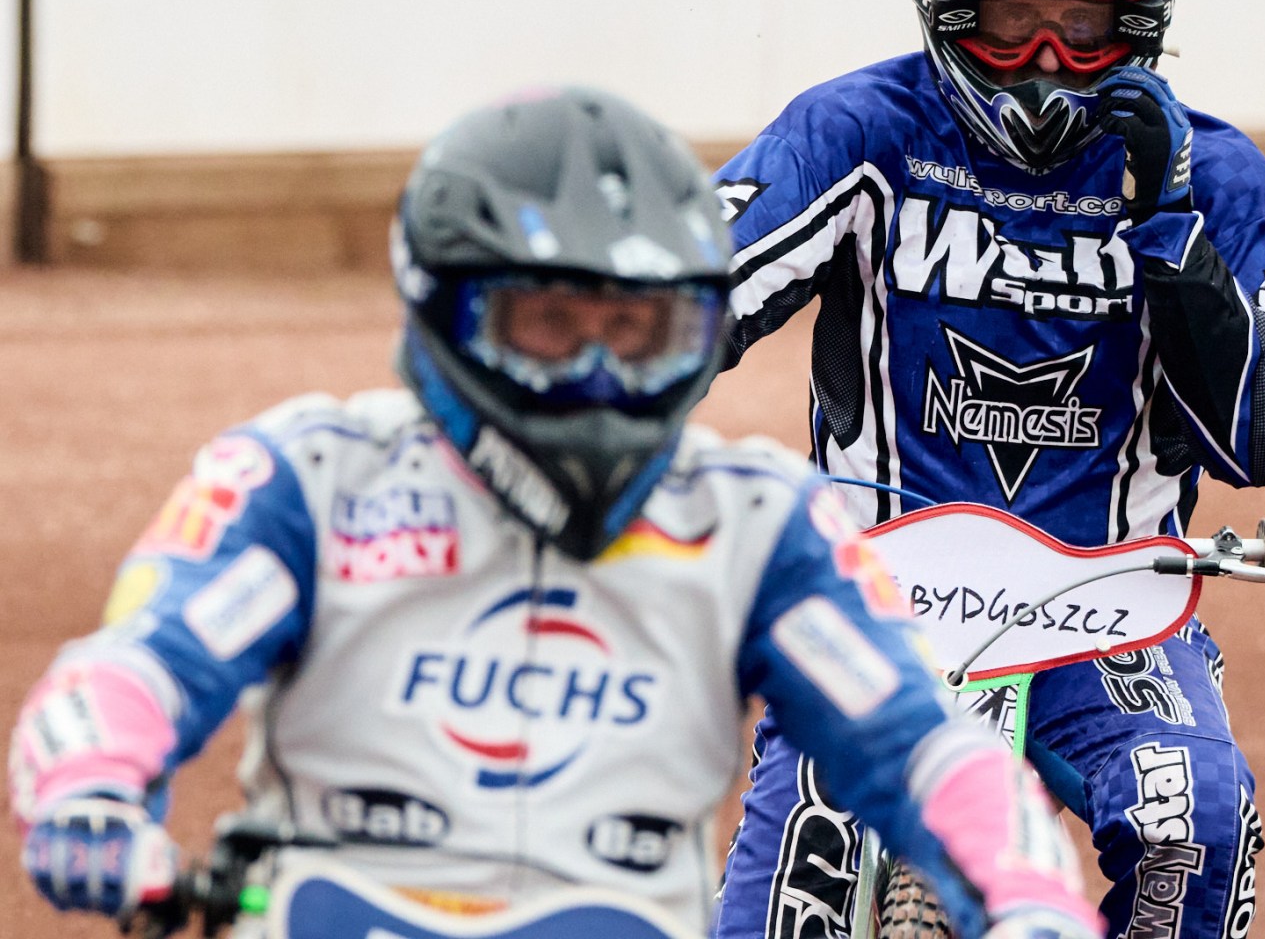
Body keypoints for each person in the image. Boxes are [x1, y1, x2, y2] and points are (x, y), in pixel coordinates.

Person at [6, 88, 1102, 939]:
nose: (597, 375)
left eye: (636, 332)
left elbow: (921, 748)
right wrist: (89, 793)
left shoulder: (758, 523)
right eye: (548, 325)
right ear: (447, 308)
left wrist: (1029, 894)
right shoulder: (312, 477)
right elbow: (139, 667)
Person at [711, 0, 1265, 939]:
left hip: (1112, 601)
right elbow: (691, 294)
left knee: (1197, 820)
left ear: (1140, 29)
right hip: (875, 587)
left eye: (1082, 29)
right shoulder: (860, 130)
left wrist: (1171, 225)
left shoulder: (1216, 173)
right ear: (949, 10)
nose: (1046, 61)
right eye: (1012, 22)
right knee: (799, 877)